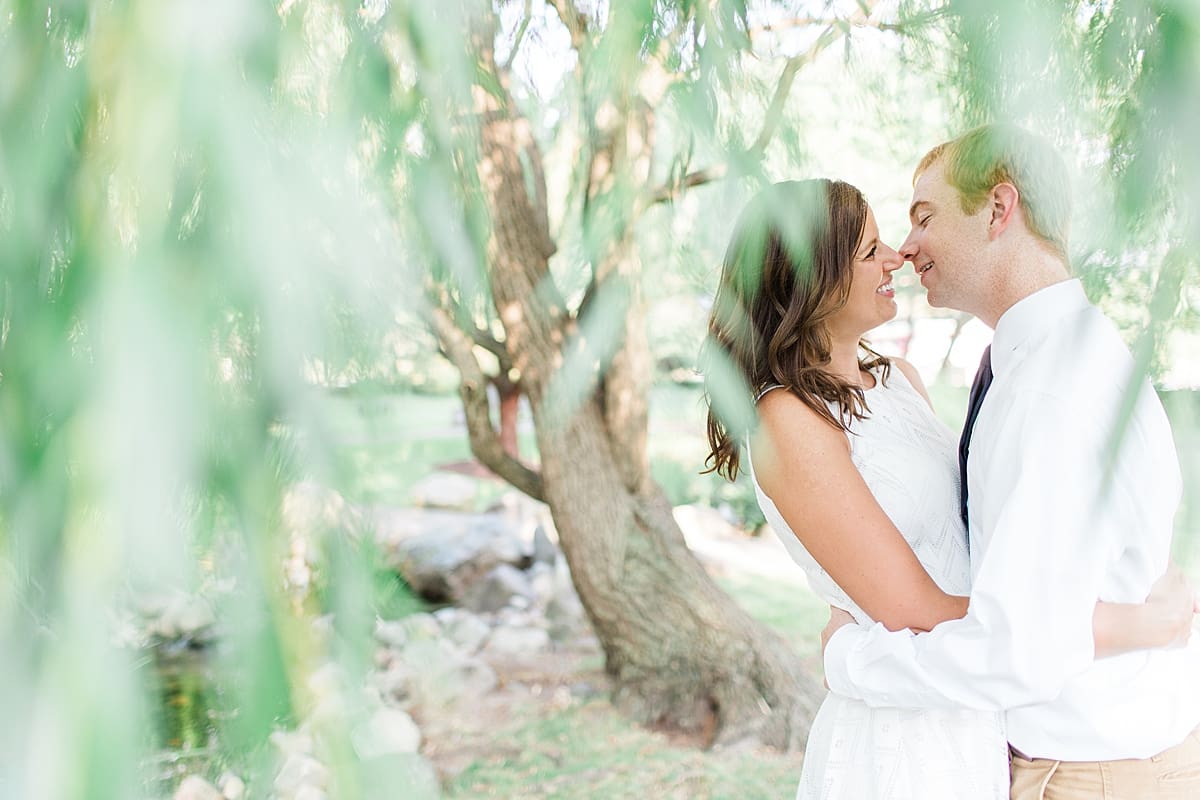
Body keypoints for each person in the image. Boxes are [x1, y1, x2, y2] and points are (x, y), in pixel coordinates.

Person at [701, 176, 1195, 799]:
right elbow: (918, 610)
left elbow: (977, 533)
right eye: (869, 250)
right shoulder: (788, 420)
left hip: (975, 712)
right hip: (904, 738)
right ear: (812, 280)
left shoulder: (901, 379)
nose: (896, 257)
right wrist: (1122, 625)